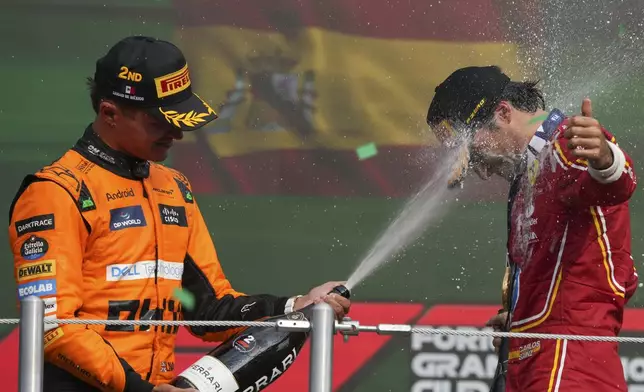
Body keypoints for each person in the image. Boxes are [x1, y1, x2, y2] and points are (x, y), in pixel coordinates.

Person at [8, 35, 351, 392]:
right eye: (160, 121)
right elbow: (51, 326)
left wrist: (296, 305)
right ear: (109, 112)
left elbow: (209, 309)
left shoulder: (174, 188)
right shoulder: (55, 192)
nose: (178, 133)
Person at [425, 65, 638, 391]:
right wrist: (520, 318)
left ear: (503, 112)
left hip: (570, 365)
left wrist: (606, 156)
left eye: (471, 146)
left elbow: (617, 184)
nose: (475, 166)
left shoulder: (565, 143)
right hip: (535, 360)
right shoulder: (528, 176)